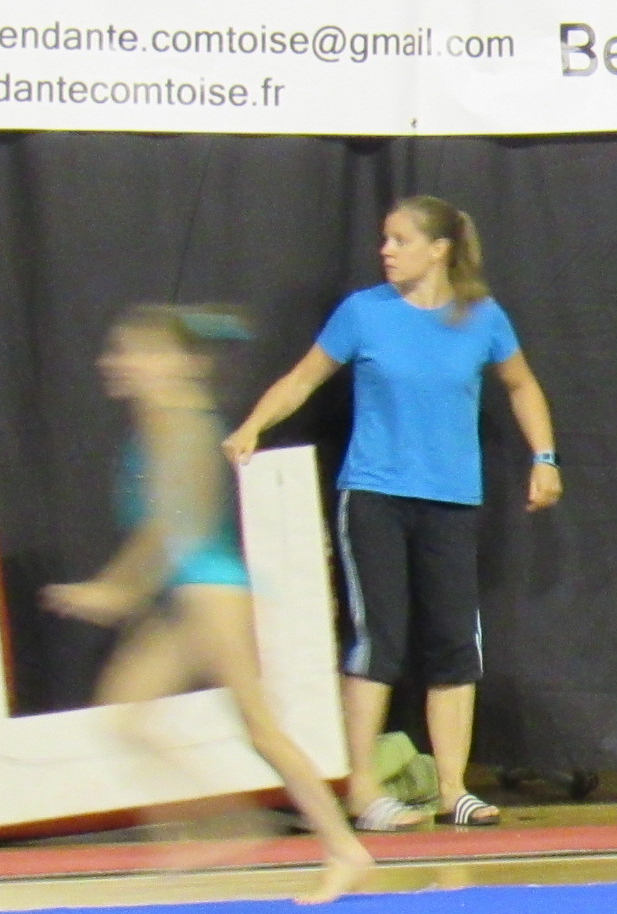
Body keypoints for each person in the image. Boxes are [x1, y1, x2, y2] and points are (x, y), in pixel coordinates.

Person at [225, 196, 562, 831]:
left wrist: (544, 457)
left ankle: (453, 790)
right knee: (377, 640)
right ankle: (362, 792)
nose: (386, 250)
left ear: (439, 250)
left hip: (452, 503)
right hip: (375, 497)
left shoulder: (483, 317)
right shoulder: (364, 313)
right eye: (385, 239)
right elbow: (303, 379)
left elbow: (521, 385)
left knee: (454, 644)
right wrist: (253, 426)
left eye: (400, 240)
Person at [44, 307, 374, 905]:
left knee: (261, 729)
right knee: (126, 711)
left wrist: (117, 591)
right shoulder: (160, 420)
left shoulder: (184, 423)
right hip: (189, 592)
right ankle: (222, 824)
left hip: (213, 591)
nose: (119, 364)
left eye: (136, 353)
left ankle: (338, 847)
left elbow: (178, 524)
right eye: (120, 353)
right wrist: (118, 588)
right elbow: (162, 527)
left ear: (177, 364)